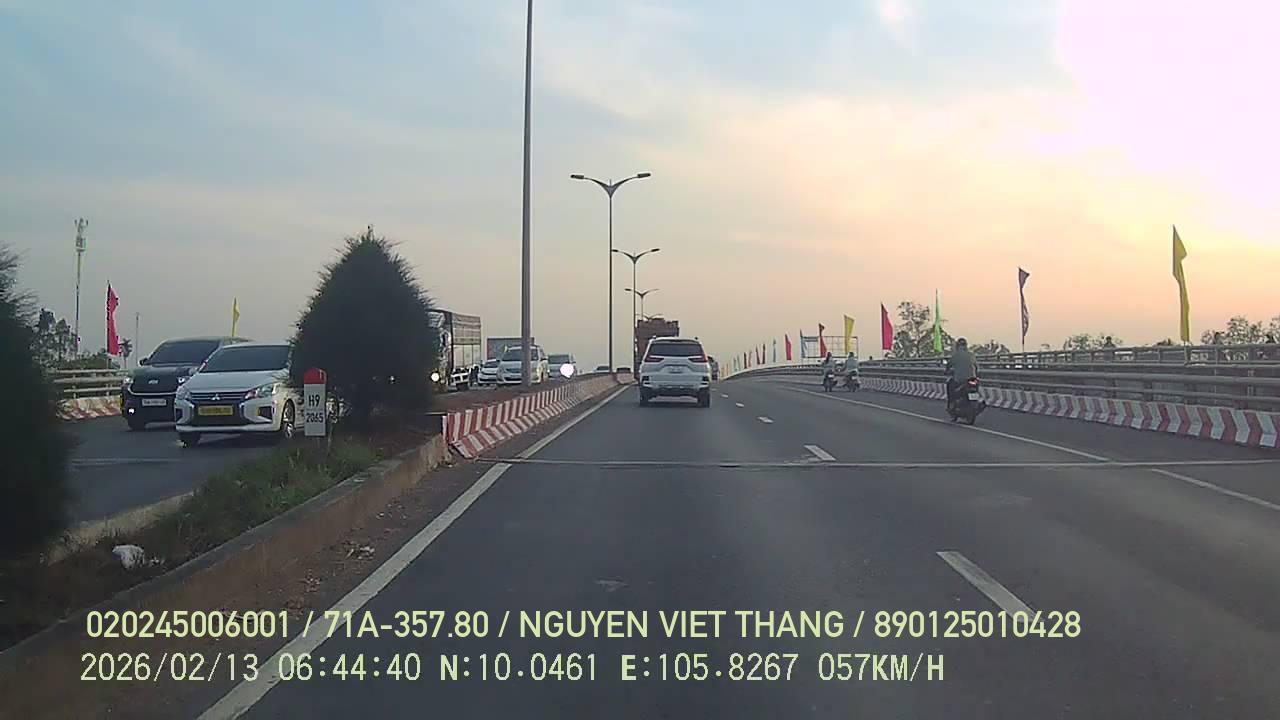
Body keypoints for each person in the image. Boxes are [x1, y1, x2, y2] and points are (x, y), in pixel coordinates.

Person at [946, 338, 979, 410]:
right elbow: (976, 367)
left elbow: (949, 365)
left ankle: (951, 403)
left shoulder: (955, 355)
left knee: (950, 385)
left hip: (960, 379)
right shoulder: (971, 355)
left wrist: (947, 371)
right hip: (972, 379)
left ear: (957, 346)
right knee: (976, 386)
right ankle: (975, 400)